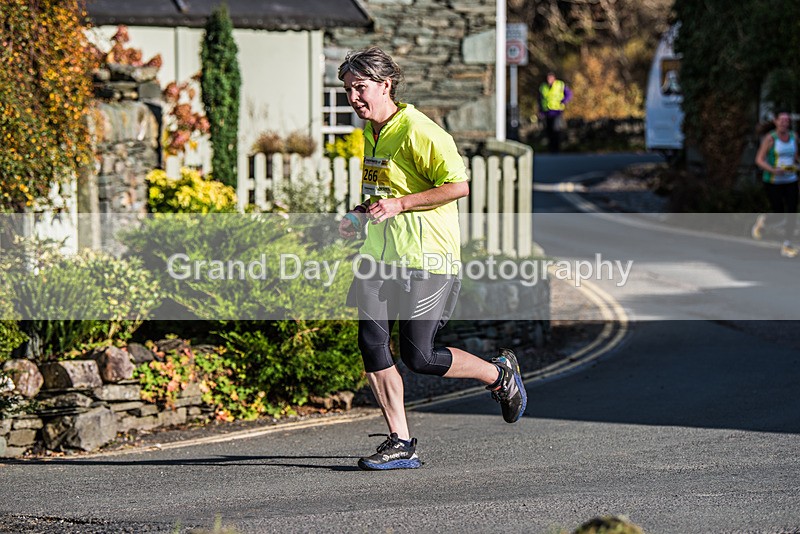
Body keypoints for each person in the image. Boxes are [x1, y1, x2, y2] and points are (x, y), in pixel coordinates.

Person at [337, 47, 527, 471]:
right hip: (378, 256)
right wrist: (359, 214)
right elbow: (381, 192)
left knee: (419, 356)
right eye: (348, 89)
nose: (353, 98)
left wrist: (401, 205)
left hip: (427, 259)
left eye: (360, 88)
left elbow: (458, 186)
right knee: (372, 345)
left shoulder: (420, 131)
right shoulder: (372, 132)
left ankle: (499, 375)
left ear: (386, 85)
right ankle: (400, 442)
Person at [752, 111, 800, 257]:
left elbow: (796, 156)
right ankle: (764, 221)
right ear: (776, 121)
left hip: (790, 179)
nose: (785, 123)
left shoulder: (794, 137)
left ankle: (787, 244)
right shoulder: (770, 139)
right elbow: (759, 160)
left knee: (792, 211)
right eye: (782, 120)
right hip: (773, 181)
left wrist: (797, 165)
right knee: (779, 214)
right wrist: (772, 170)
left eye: (787, 121)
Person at [538, 71, 572, 153]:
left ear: (554, 78)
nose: (549, 80)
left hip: (557, 111)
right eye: (548, 78)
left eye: (550, 78)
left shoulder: (560, 85)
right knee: (549, 130)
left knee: (556, 129)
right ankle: (551, 148)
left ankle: (557, 148)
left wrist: (563, 101)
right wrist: (540, 111)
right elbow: (539, 99)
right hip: (547, 111)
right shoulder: (543, 87)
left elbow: (569, 94)